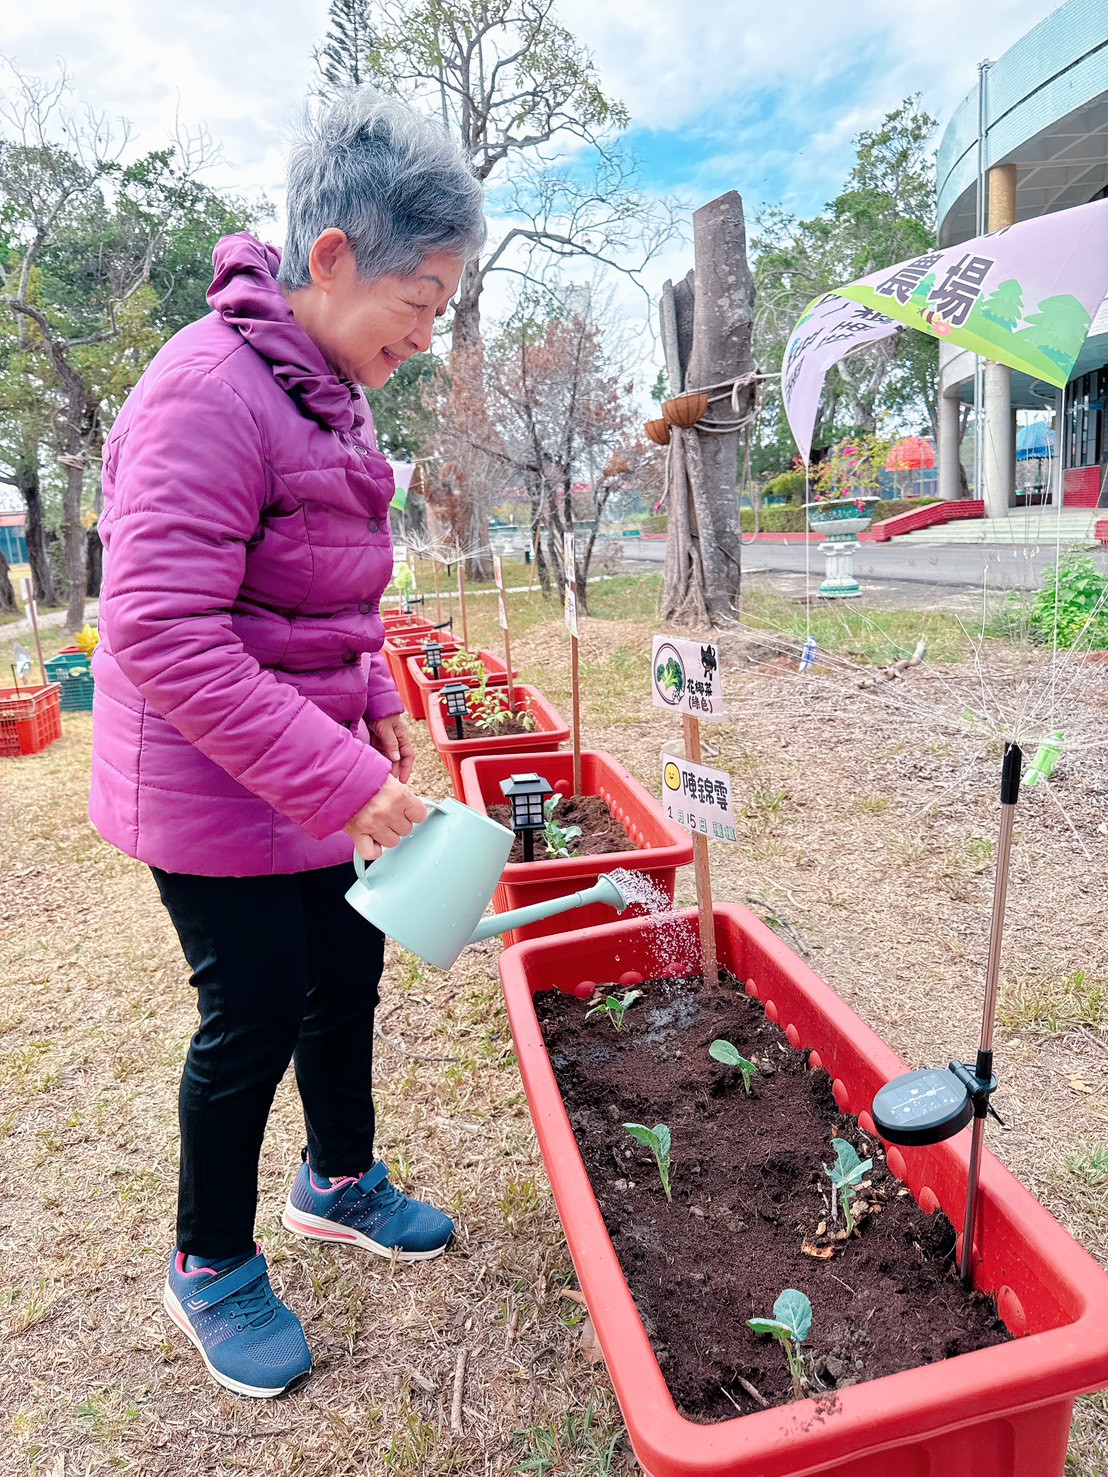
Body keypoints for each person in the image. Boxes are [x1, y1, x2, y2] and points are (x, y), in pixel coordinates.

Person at [88, 88, 486, 1400]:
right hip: (208, 784)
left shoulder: (330, 395)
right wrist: (344, 776)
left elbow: (327, 588)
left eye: (438, 314)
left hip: (311, 766)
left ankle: (340, 1178)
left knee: (347, 971)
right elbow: (157, 629)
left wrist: (372, 693)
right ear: (331, 261)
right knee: (251, 1010)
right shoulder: (204, 388)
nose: (423, 340)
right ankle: (208, 1259)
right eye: (416, 306)